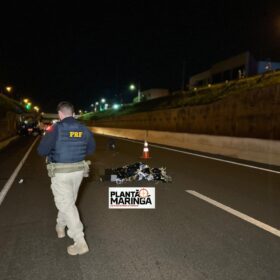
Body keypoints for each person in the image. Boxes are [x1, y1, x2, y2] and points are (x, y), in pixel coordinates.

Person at [37, 101, 95, 256]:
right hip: (78, 172)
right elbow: (91, 149)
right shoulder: (83, 129)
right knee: (68, 203)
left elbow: (41, 151)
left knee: (67, 204)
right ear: (73, 113)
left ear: (60, 114)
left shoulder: (56, 128)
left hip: (61, 173)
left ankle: (79, 241)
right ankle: (60, 227)